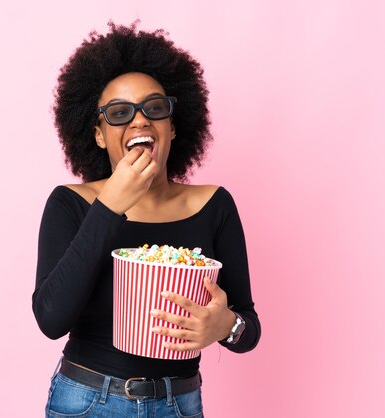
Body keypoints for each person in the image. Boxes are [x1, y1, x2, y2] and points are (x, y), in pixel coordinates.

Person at [33, 22, 260, 418]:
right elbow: (51, 319)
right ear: (100, 135)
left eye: (154, 108)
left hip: (181, 403)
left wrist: (225, 326)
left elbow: (248, 329)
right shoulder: (71, 203)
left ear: (172, 125)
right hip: (88, 403)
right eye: (120, 113)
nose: (139, 121)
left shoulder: (214, 205)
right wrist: (110, 206)